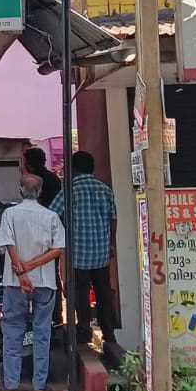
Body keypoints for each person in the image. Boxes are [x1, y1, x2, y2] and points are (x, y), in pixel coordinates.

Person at [50, 150, 124, 366]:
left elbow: (51, 214)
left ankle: (84, 331)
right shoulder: (104, 189)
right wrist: (111, 243)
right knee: (103, 292)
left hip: (78, 253)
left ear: (73, 169)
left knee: (80, 293)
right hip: (101, 251)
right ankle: (108, 333)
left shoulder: (69, 190)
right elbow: (113, 218)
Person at [0, 173, 65, 391]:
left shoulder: (10, 214)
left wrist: (21, 271)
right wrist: (31, 266)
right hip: (45, 282)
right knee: (42, 331)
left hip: (14, 282)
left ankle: (11, 383)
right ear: (41, 192)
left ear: (20, 190)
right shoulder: (51, 216)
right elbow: (58, 249)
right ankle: (39, 384)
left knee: (13, 329)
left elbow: (8, 243)